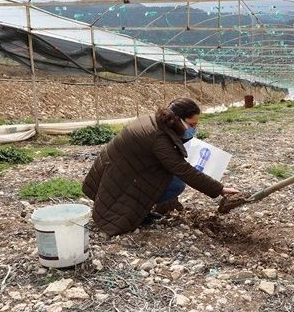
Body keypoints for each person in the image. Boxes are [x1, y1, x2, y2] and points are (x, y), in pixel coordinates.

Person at [82, 97, 240, 236]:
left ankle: (146, 209)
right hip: (122, 179)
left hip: (117, 170)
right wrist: (219, 189)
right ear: (178, 119)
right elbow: (183, 170)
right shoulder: (158, 138)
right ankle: (138, 212)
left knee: (170, 176)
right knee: (177, 183)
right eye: (192, 125)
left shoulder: (156, 122)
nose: (194, 129)